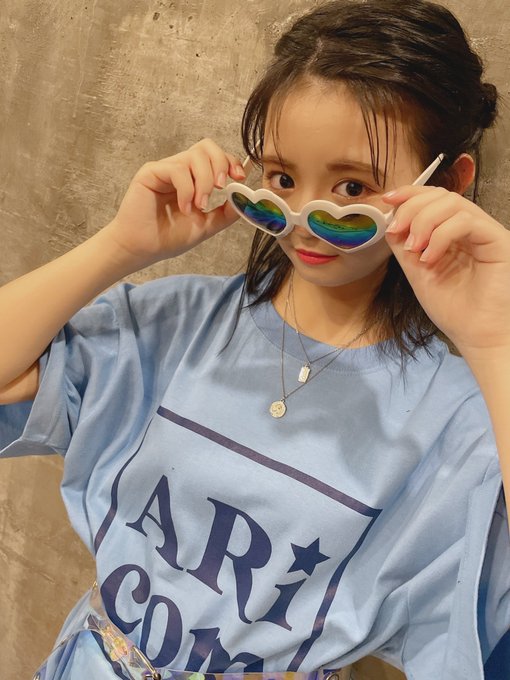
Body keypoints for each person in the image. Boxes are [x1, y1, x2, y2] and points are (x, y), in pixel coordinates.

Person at [1, 1, 509, 678]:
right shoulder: (175, 324)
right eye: (279, 182)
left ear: (445, 185)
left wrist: (496, 343)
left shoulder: (460, 417)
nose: (299, 221)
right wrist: (120, 247)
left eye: (351, 189)